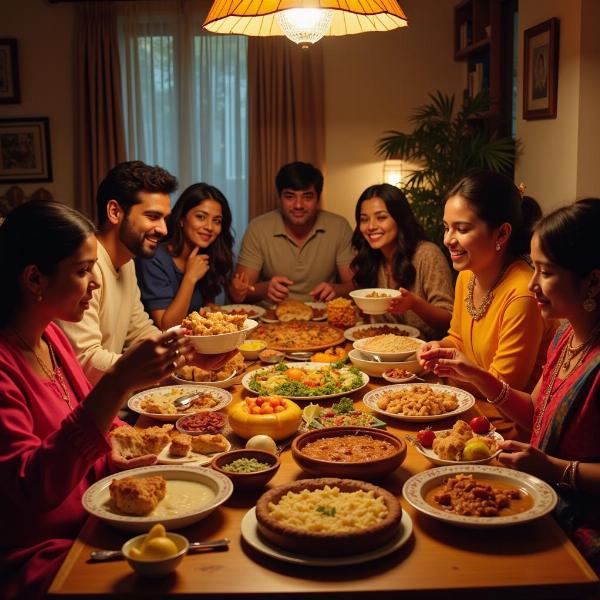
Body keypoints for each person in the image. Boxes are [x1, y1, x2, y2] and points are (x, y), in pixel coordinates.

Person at [0, 200, 231, 600]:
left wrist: (187, 360)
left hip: (101, 513)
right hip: (49, 552)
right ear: (34, 279)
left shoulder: (50, 336)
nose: (94, 283)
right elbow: (31, 488)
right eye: (82, 270)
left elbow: (101, 431)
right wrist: (116, 384)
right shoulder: (4, 364)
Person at [420, 199, 600, 573]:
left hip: (580, 532)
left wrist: (555, 468)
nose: (532, 284)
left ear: (593, 281)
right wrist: (478, 376)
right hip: (537, 496)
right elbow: (535, 411)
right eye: (533, 268)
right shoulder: (567, 334)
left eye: (546, 272)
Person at [418, 170, 556, 435]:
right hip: (469, 411)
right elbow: (457, 338)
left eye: (462, 228)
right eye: (446, 228)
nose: (448, 239)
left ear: (502, 234)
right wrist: (437, 348)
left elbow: (501, 389)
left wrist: (447, 370)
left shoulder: (523, 294)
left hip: (508, 430)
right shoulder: (467, 275)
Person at [59, 161, 177, 384]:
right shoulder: (83, 267)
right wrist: (163, 366)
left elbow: (139, 331)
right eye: (152, 216)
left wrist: (184, 354)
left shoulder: (127, 261)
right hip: (93, 410)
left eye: (165, 219)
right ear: (114, 212)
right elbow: (86, 361)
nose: (163, 229)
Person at [229, 161, 355, 304]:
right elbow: (237, 292)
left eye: (307, 197)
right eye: (290, 196)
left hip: (323, 317)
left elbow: (355, 288)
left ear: (318, 199)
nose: (298, 205)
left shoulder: (339, 227)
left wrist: (336, 290)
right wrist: (264, 289)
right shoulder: (258, 228)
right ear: (279, 197)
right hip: (271, 319)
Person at [351, 183, 453, 340]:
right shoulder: (372, 258)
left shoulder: (427, 254)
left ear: (399, 219)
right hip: (383, 352)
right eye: (364, 219)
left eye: (381, 217)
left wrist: (414, 304)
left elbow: (449, 320)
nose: (371, 226)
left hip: (428, 354)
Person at [136, 183, 234, 329]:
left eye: (217, 221)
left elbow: (203, 310)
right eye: (201, 217)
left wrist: (212, 309)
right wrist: (190, 278)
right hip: (161, 347)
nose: (209, 227)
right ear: (181, 218)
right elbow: (166, 326)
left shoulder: (205, 254)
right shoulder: (154, 258)